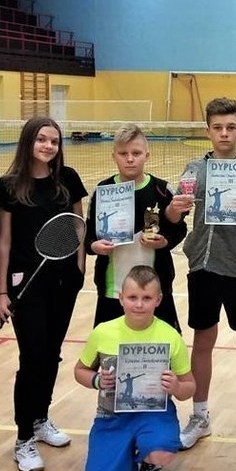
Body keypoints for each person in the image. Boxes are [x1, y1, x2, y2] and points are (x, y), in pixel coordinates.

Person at [164, 97, 236, 452]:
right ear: (208, 130)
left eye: (231, 127)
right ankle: (200, 416)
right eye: (218, 127)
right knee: (203, 340)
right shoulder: (194, 169)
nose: (224, 133)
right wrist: (174, 209)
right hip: (203, 266)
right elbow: (174, 217)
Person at [0, 117, 88, 471]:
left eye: (54, 141)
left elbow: (78, 228)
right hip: (25, 284)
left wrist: (79, 271)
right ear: (28, 142)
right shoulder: (9, 186)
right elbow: (3, 241)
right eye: (41, 139)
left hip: (64, 282)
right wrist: (1, 291)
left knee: (51, 354)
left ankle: (40, 418)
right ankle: (23, 439)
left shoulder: (68, 179)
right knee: (32, 357)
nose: (49, 146)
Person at [74, 265, 196, 471]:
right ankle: (130, 456)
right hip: (111, 416)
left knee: (161, 452)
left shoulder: (171, 336)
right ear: (121, 298)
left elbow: (190, 386)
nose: (139, 304)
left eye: (147, 298)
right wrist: (97, 380)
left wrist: (176, 387)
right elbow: (80, 371)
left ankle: (148, 460)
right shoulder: (102, 332)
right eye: (132, 297)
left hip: (155, 414)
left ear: (158, 300)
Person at [85, 123, 186, 332]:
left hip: (156, 292)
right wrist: (94, 246)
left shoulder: (161, 189)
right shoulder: (102, 190)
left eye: (136, 153)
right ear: (114, 156)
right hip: (113, 291)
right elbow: (88, 235)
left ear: (147, 155)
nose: (130, 159)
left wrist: (165, 241)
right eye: (123, 153)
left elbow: (178, 229)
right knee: (109, 350)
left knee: (163, 349)